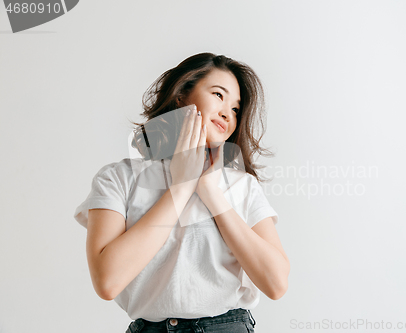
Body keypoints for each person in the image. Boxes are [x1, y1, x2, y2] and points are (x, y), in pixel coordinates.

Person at [74, 53, 290, 333]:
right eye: (218, 95)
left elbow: (276, 284)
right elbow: (107, 281)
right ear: (181, 97)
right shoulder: (119, 178)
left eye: (236, 109)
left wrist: (210, 193)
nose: (227, 112)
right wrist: (181, 186)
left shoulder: (242, 185)